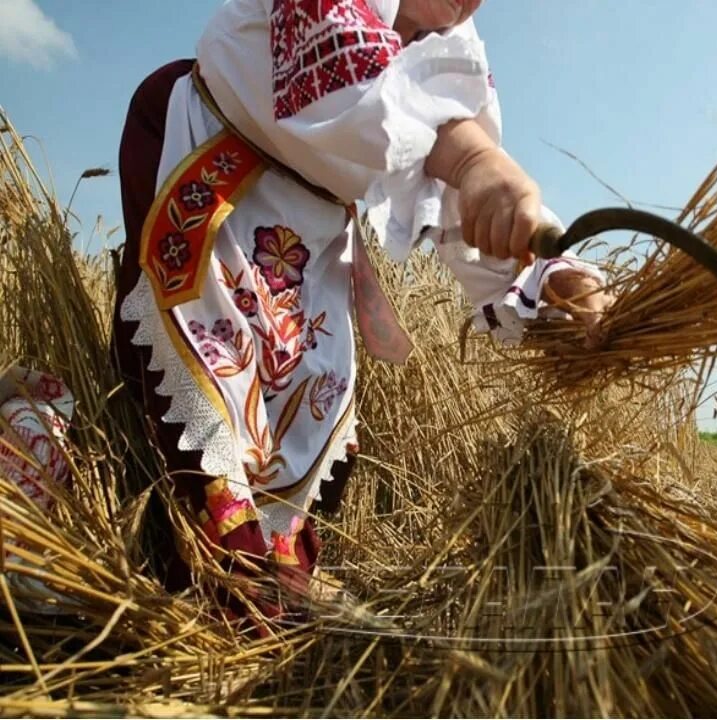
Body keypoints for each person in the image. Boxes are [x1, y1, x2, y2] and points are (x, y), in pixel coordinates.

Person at [111, 0, 612, 618]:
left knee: (311, 387)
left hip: (312, 225)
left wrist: (542, 269)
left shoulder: (451, 36)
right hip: (216, 166)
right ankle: (225, 588)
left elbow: (461, 191)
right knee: (217, 388)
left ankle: (281, 573)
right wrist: (477, 160)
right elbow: (352, 83)